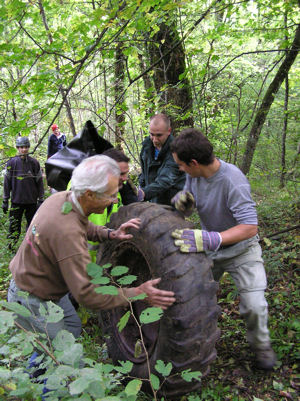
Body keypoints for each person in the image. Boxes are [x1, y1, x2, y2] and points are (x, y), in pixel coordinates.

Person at [7, 155, 175, 341]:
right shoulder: (68, 236)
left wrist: (110, 233)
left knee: (72, 326)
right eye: (110, 195)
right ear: (89, 194)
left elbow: (82, 223)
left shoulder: (64, 199)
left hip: (44, 287)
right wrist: (137, 293)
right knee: (65, 358)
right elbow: (87, 295)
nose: (114, 201)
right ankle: (37, 367)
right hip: (31, 296)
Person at [170, 128, 277, 371]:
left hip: (242, 251)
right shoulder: (194, 176)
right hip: (211, 251)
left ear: (194, 162)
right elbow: (190, 204)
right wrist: (184, 203)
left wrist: (211, 239)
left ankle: (262, 349)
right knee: (191, 297)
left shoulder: (233, 181)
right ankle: (196, 344)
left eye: (181, 165)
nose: (180, 169)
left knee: (254, 306)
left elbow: (250, 227)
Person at [2, 136, 44, 248]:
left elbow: (39, 182)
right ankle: (11, 248)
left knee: (32, 227)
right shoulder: (11, 163)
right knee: (14, 227)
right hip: (16, 201)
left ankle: (31, 248)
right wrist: (5, 200)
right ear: (17, 148)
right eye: (21, 147)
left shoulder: (34, 163)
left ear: (29, 147)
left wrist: (41, 199)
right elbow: (7, 182)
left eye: (26, 147)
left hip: (31, 202)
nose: (24, 149)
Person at [138, 113, 186, 205]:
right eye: (152, 134)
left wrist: (144, 193)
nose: (155, 140)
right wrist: (141, 186)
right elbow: (144, 172)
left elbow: (166, 180)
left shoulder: (176, 150)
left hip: (172, 203)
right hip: (152, 200)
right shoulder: (146, 146)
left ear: (169, 131)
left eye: (159, 135)